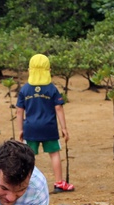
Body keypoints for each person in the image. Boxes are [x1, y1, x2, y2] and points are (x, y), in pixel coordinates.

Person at [17, 54, 73, 193]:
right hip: (49, 128)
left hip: (30, 128)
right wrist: (64, 128)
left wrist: (20, 130)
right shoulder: (51, 89)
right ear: (48, 70)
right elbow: (58, 108)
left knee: (29, 157)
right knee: (54, 154)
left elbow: (19, 111)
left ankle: (25, 184)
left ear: (30, 69)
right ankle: (59, 183)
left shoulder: (25, 89)